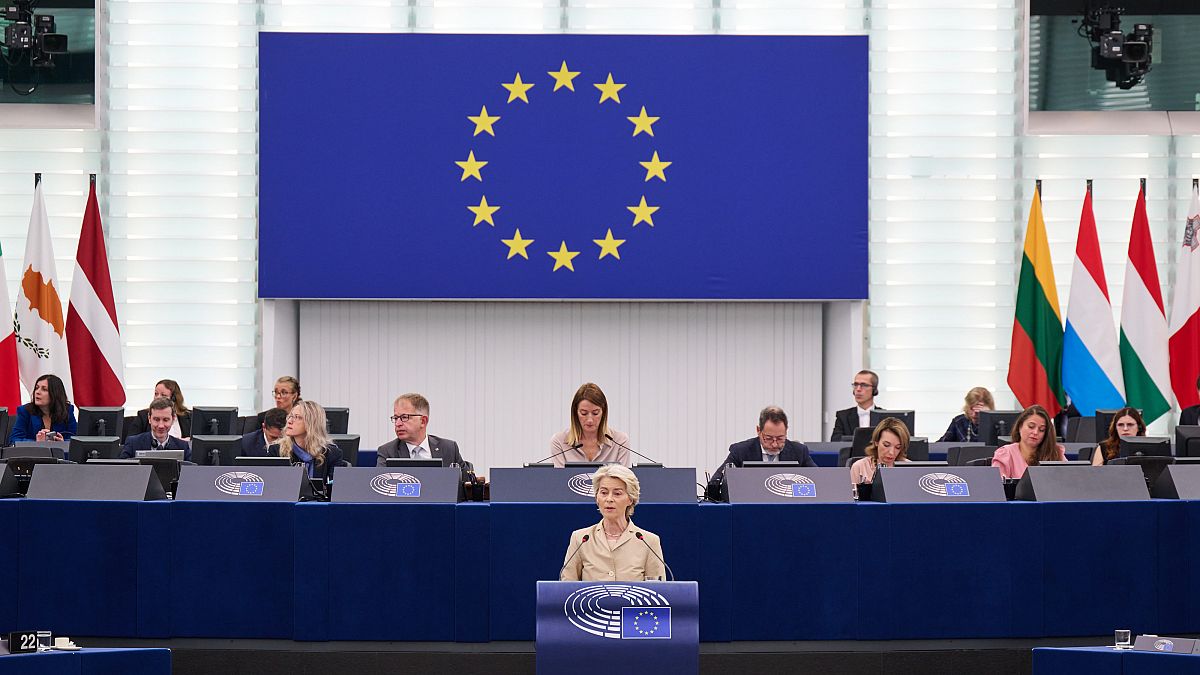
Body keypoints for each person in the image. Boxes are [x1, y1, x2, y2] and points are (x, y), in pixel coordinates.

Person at [559, 463, 667, 582]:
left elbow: (657, 593)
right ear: (597, 498)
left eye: (617, 493)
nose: (609, 499)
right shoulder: (581, 539)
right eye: (604, 493)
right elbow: (566, 588)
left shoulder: (649, 541)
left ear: (630, 499)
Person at [710, 406, 816, 486]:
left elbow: (819, 481)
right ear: (758, 431)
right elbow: (715, 483)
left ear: (786, 431)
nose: (775, 444)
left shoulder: (799, 452)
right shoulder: (741, 451)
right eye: (768, 438)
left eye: (780, 438)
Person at [375, 393, 468, 469]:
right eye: (395, 418)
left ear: (423, 421)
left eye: (404, 417)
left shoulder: (449, 448)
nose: (398, 423)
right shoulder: (388, 452)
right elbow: (381, 487)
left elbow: (467, 485)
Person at [549, 383, 631, 467]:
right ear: (575, 413)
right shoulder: (559, 441)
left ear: (603, 412)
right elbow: (559, 478)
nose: (590, 420)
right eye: (584, 413)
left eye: (595, 413)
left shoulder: (620, 441)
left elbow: (623, 479)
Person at [990, 405, 1065, 479]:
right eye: (1031, 426)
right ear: (1020, 426)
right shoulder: (1005, 454)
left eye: (1041, 430)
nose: (1035, 432)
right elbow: (996, 487)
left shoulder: (1056, 453)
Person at [277, 400, 342, 482]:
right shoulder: (277, 451)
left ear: (311, 423)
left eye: (297, 417)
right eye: (290, 416)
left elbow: (336, 489)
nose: (289, 421)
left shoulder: (331, 454)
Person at [11, 374, 77, 442]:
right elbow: (15, 439)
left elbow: (75, 438)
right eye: (36, 388)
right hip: (33, 452)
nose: (37, 392)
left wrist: (63, 442)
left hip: (59, 452)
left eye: (44, 389)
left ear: (55, 393)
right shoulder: (25, 411)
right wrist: (36, 442)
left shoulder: (67, 410)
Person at [121, 397, 191, 460]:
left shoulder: (183, 446)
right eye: (156, 419)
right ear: (149, 418)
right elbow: (122, 470)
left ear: (173, 419)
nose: (161, 426)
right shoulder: (133, 443)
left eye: (165, 420)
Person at [849, 416, 910, 485]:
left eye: (898, 447)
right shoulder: (860, 467)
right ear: (876, 442)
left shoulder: (909, 467)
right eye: (886, 445)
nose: (891, 452)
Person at [127, 379, 192, 438]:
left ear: (174, 399)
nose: (157, 398)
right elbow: (131, 441)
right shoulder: (143, 416)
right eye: (156, 394)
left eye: (163, 395)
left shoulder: (190, 416)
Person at [831, 369, 880, 441]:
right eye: (856, 385)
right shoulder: (843, 416)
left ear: (874, 389)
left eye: (864, 385)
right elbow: (836, 441)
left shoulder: (885, 416)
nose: (858, 389)